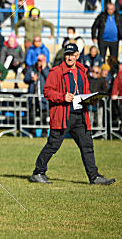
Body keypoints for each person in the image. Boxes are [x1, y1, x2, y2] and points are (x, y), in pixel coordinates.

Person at [30, 43, 115, 185]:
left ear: (77, 55)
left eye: (72, 54)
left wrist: (91, 99)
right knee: (53, 145)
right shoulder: (56, 71)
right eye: (67, 54)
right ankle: (38, 172)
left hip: (81, 116)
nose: (69, 57)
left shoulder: (82, 71)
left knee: (87, 146)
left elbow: (85, 91)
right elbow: (47, 92)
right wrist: (62, 97)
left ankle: (94, 177)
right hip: (63, 115)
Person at [24, 56, 50, 129]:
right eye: (38, 60)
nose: (39, 62)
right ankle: (32, 131)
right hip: (33, 95)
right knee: (32, 113)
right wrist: (31, 78)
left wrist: (44, 69)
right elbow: (25, 79)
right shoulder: (32, 68)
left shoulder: (48, 69)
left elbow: (50, 79)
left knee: (44, 112)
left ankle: (44, 131)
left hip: (43, 95)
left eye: (41, 61)